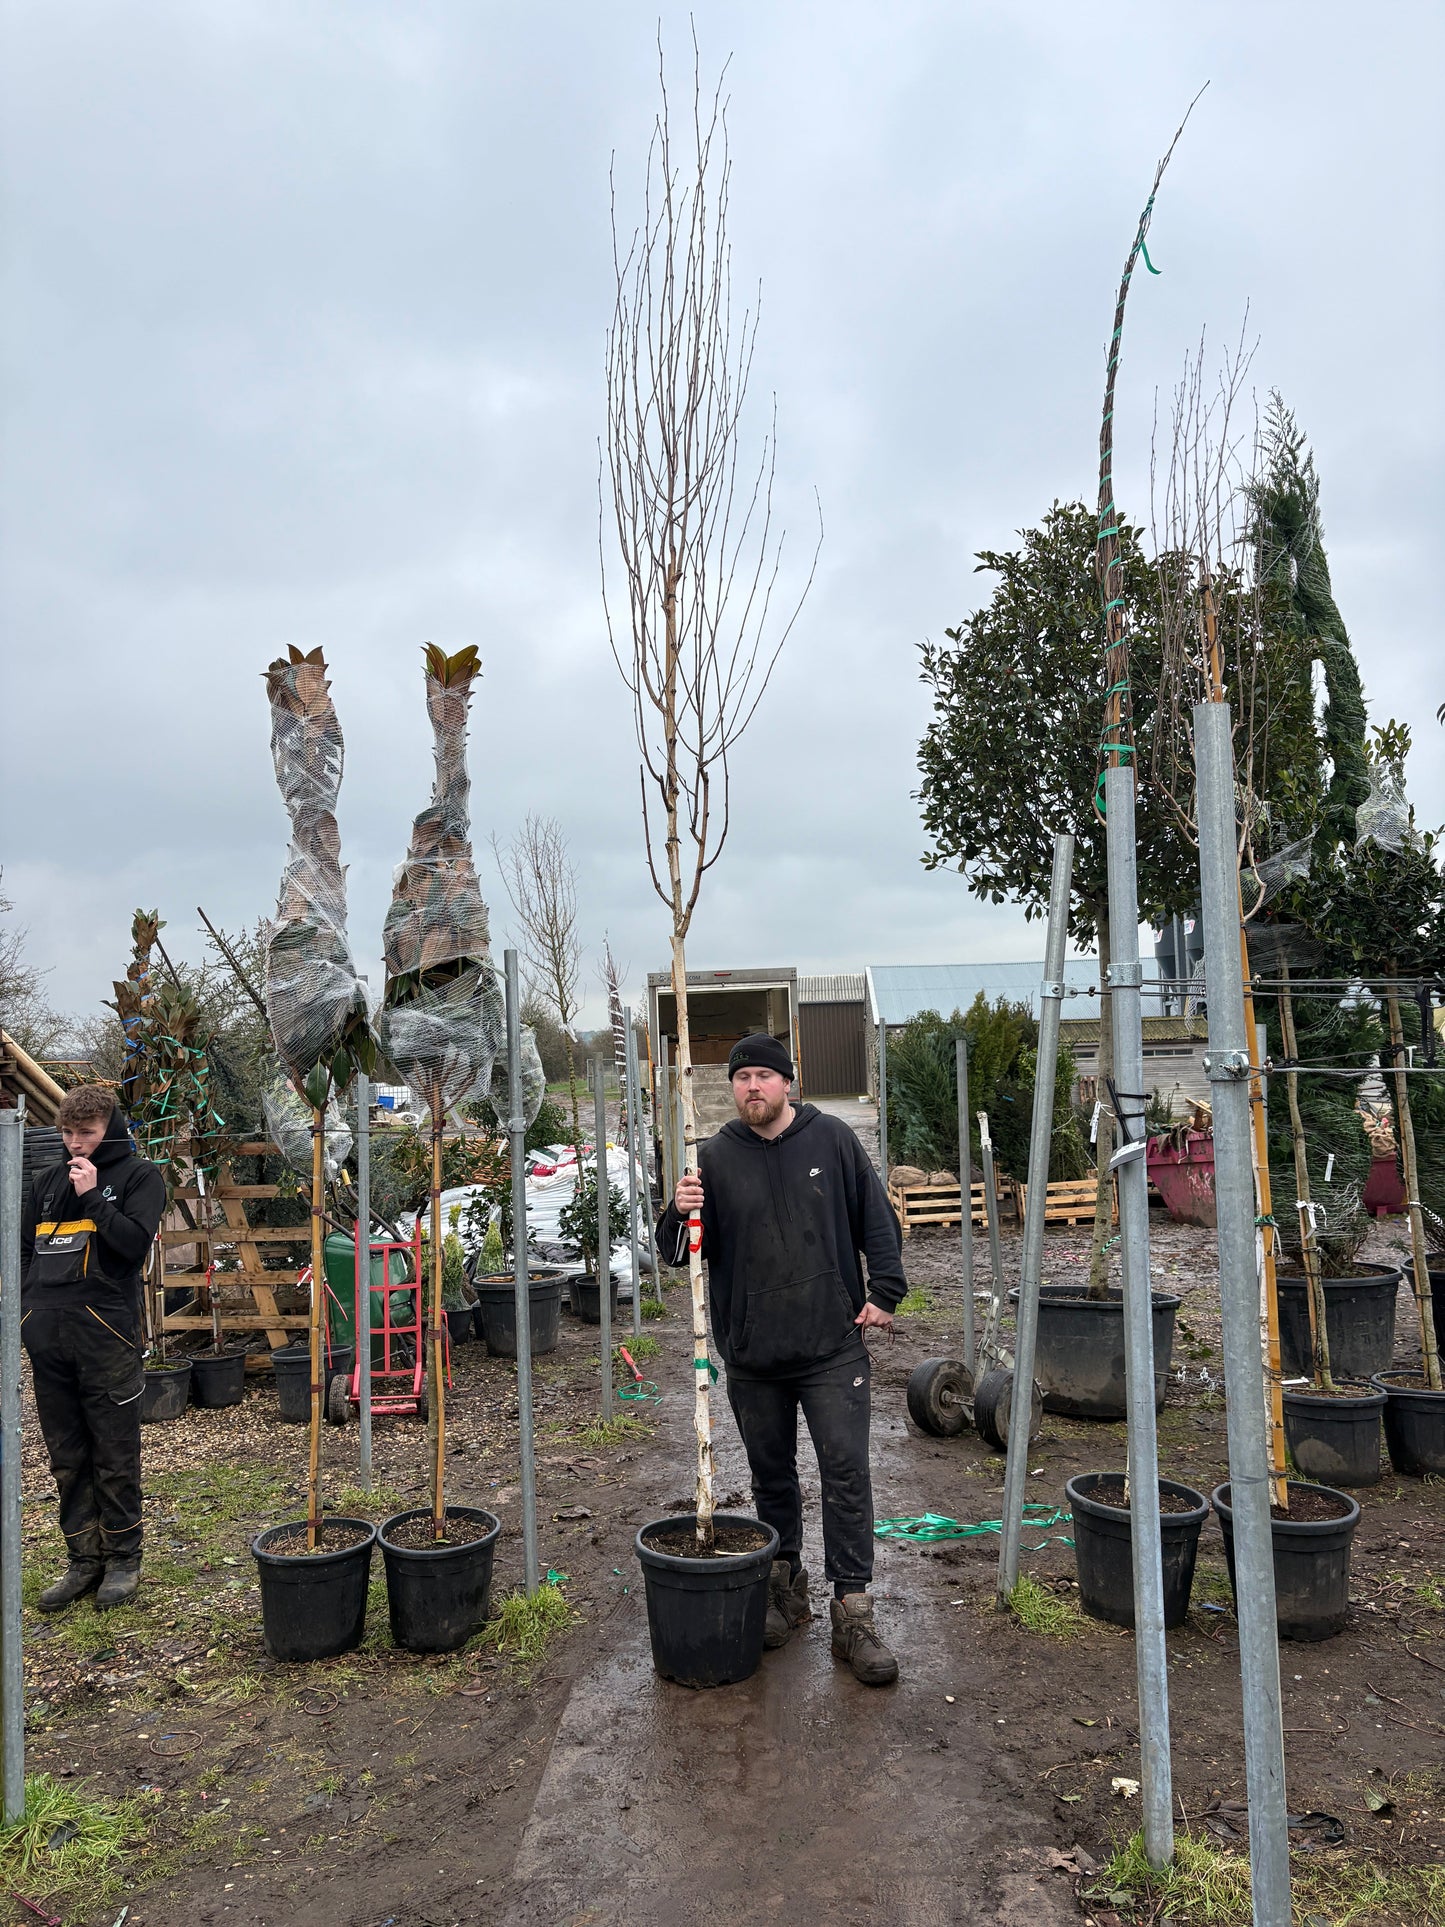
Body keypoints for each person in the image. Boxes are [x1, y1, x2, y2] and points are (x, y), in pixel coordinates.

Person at [656, 1033, 906, 1685]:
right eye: (742, 1078)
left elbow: (876, 1218)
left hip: (830, 1348)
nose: (752, 1087)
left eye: (764, 1075)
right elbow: (679, 1255)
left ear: (787, 1083)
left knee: (845, 1469)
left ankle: (852, 1606)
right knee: (772, 1478)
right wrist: (677, 1212)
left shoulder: (832, 1141)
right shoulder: (712, 1157)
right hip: (753, 1355)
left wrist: (884, 1292)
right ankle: (783, 1583)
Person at [21, 1086, 166, 1611]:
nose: (76, 1143)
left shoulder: (139, 1177)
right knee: (66, 1456)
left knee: (113, 1452)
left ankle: (123, 1559)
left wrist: (90, 1196)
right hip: (48, 1339)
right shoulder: (43, 1181)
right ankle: (83, 1559)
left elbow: (131, 1245)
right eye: (67, 1133)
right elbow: (24, 1254)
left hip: (107, 1335)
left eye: (87, 1133)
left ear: (111, 1130)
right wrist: (27, 1315)